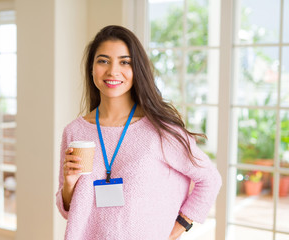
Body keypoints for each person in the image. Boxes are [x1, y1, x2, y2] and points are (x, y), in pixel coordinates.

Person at [56, 25, 222, 240]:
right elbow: (68, 210)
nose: (112, 71)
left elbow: (209, 179)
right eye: (103, 60)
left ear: (137, 70)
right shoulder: (75, 131)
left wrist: (175, 230)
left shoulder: (160, 130)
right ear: (91, 68)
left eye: (125, 62)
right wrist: (69, 184)